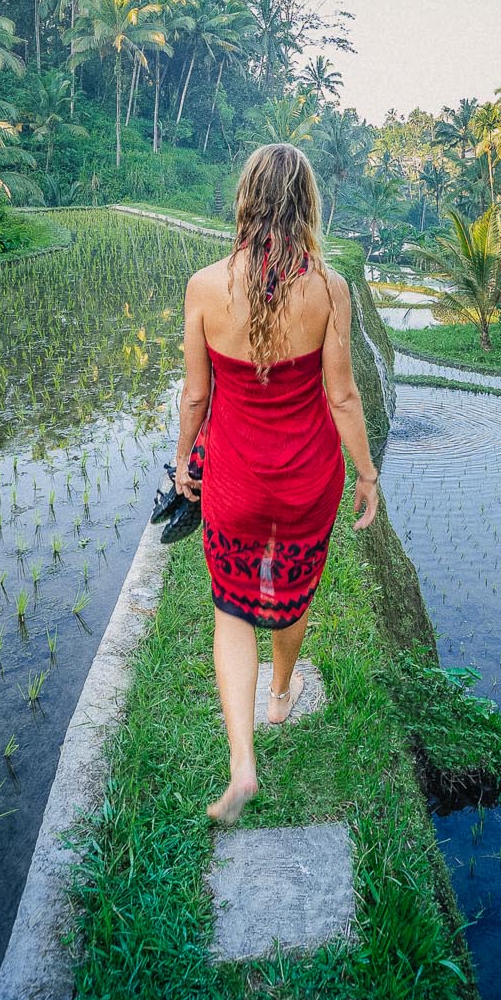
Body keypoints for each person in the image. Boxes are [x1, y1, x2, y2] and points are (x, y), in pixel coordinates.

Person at [171, 143, 379, 825]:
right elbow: (343, 396)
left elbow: (195, 398)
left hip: (234, 483)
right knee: (290, 597)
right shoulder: (329, 289)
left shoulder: (205, 287)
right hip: (306, 483)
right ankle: (281, 694)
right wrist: (367, 474)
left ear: (245, 201)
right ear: (307, 206)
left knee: (232, 611)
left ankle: (242, 765)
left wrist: (184, 461)